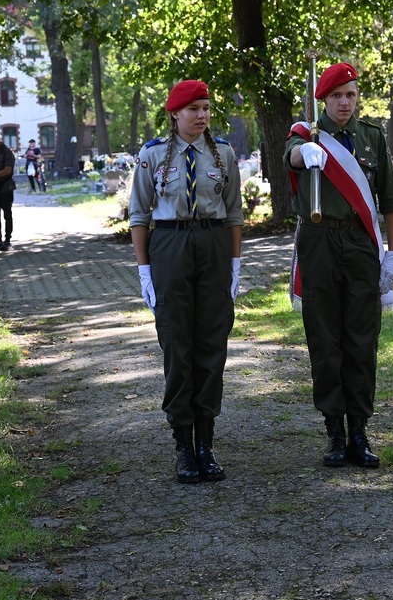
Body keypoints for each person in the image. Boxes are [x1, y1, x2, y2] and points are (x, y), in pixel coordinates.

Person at [284, 62, 393, 469]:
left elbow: (389, 199)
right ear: (324, 99)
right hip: (320, 241)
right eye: (337, 96)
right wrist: (306, 154)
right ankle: (334, 432)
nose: (345, 103)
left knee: (362, 337)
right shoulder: (308, 135)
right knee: (325, 338)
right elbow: (292, 158)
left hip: (359, 243)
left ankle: (360, 430)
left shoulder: (371, 137)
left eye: (351, 95)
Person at [128, 80, 243, 484]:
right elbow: (140, 215)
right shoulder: (153, 155)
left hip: (212, 244)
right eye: (193, 108)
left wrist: (235, 263)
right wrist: (145, 270)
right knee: (178, 347)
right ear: (175, 113)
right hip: (170, 246)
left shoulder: (224, 153)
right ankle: (183, 444)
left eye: (207, 108)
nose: (202, 115)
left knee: (212, 346)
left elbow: (233, 215)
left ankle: (206, 444)